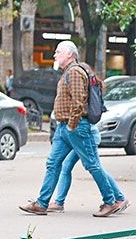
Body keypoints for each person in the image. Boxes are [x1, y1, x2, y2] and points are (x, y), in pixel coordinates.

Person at [19, 41, 127, 217]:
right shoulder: (68, 72)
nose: (55, 55)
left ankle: (111, 201)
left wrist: (71, 125)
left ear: (70, 54)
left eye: (58, 52)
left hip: (75, 127)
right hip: (64, 128)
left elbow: (79, 101)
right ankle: (41, 203)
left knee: (92, 164)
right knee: (53, 164)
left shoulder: (75, 72)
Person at [47, 63, 129, 213]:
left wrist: (71, 126)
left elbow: (79, 105)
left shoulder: (81, 80)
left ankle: (117, 198)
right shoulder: (93, 83)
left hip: (85, 132)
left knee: (92, 166)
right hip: (86, 132)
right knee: (89, 166)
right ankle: (118, 198)